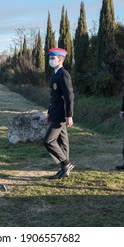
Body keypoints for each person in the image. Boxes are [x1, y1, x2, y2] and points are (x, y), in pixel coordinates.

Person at [44, 48, 75, 179]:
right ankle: (64, 169)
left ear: (60, 59)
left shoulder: (63, 74)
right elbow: (54, 98)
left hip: (61, 114)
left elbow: (69, 96)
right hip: (55, 113)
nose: (51, 60)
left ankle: (66, 164)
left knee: (48, 141)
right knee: (63, 142)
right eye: (50, 58)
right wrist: (49, 113)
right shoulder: (55, 73)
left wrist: (69, 115)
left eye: (53, 58)